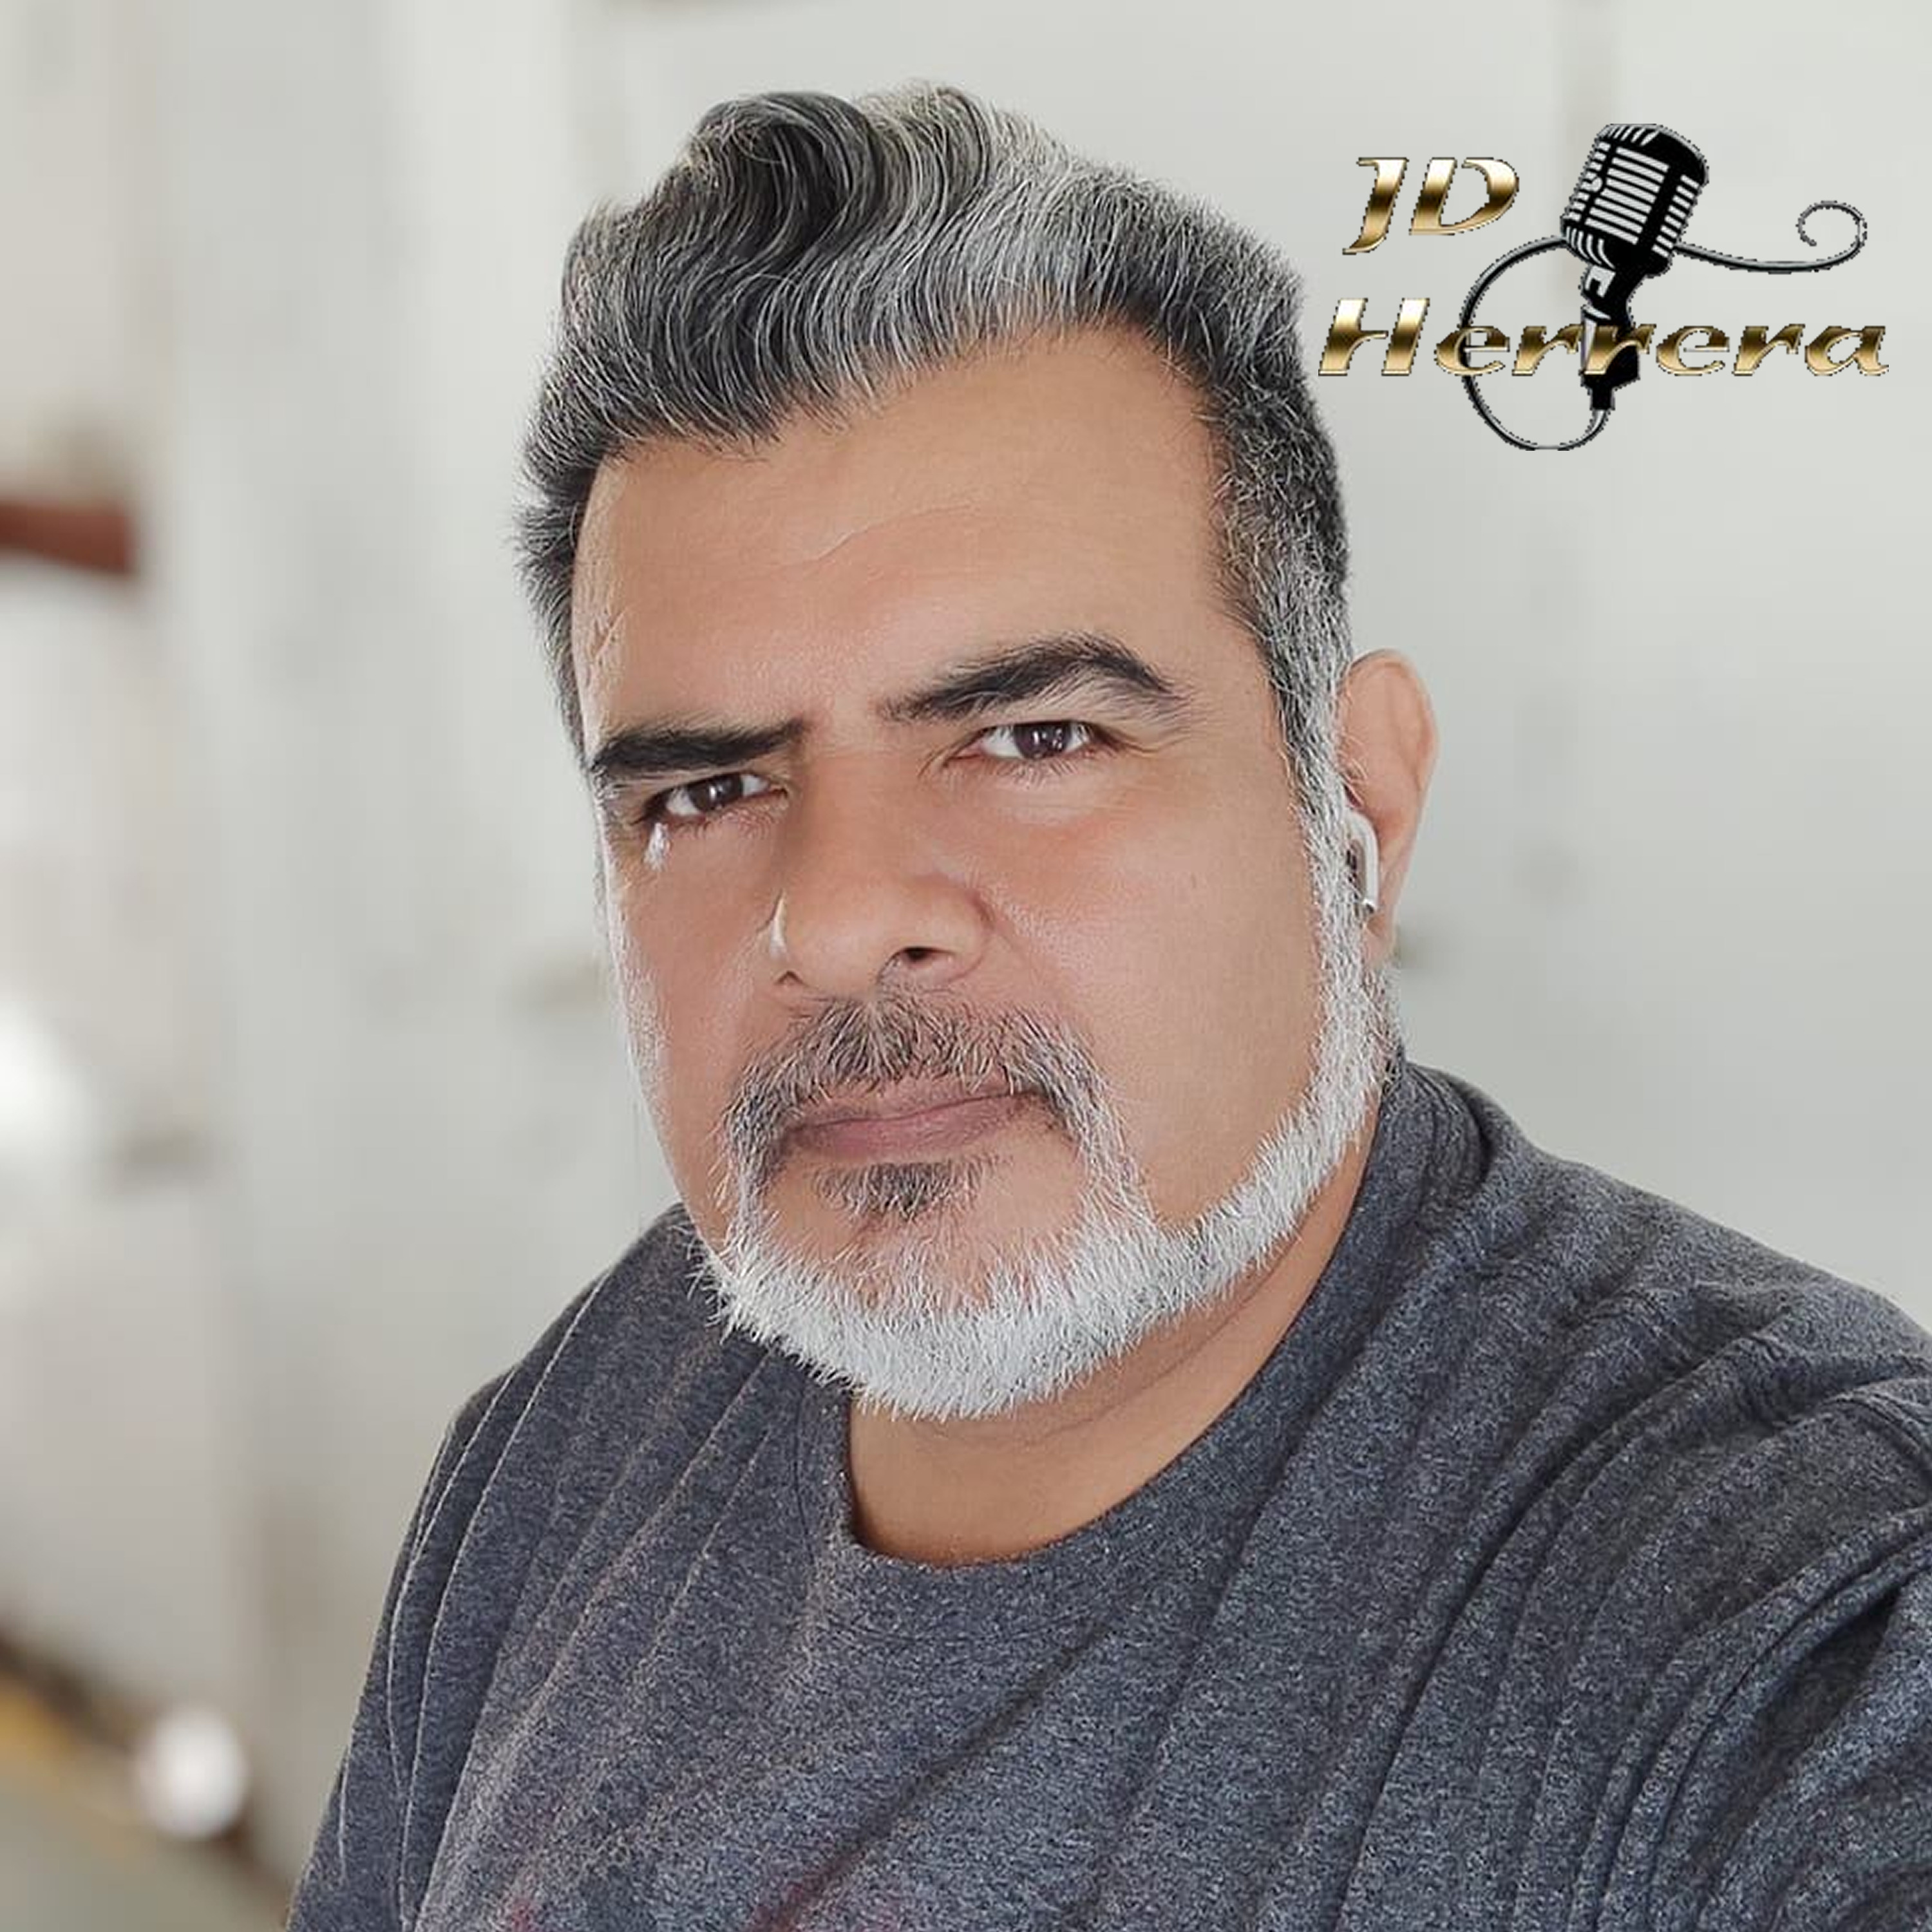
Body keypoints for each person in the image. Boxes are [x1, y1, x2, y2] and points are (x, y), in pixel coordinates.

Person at [286, 82, 1932, 1931]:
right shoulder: (572, 1446)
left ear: (1357, 810)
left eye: (1033, 738)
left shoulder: (1794, 1629)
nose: (840, 921)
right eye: (708, 789)